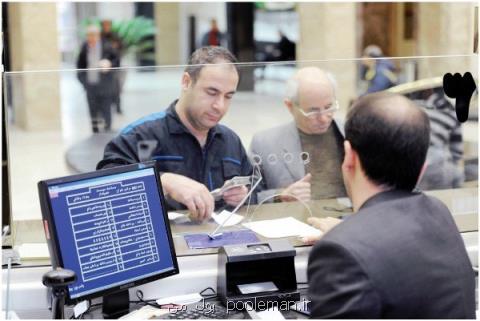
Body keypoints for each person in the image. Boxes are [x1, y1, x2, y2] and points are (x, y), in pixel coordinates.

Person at [307, 92, 475, 318]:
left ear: (349, 157)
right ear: (422, 166)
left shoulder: (338, 252)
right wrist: (347, 234)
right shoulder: (438, 212)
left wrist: (346, 238)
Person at [97, 46, 252, 221]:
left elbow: (256, 191)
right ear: (186, 82)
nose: (220, 106)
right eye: (211, 92)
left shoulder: (230, 142)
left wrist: (244, 196)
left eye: (228, 96)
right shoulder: (140, 136)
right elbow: (104, 188)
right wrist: (163, 181)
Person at [250, 67, 346, 203]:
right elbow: (248, 198)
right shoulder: (265, 143)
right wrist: (280, 195)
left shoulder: (353, 134)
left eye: (329, 107)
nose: (324, 118)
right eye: (313, 111)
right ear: (289, 106)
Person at [414, 88, 465, 190]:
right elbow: (457, 152)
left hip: (415, 161)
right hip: (438, 164)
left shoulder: (411, 106)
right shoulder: (451, 110)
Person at [77, 25, 119, 133]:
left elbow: (117, 61)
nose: (90, 38)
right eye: (88, 35)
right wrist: (84, 82)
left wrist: (109, 63)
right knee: (92, 110)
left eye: (93, 35)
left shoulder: (107, 46)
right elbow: (80, 66)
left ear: (98, 36)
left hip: (105, 85)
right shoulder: (84, 47)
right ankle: (95, 131)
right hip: (90, 85)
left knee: (106, 109)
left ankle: (107, 130)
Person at [101, 19, 123, 114]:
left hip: (114, 65)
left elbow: (121, 47)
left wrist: (116, 46)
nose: (107, 27)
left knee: (116, 88)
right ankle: (105, 109)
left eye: (108, 25)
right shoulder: (100, 37)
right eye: (105, 25)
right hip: (102, 66)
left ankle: (118, 107)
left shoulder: (115, 36)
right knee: (105, 90)